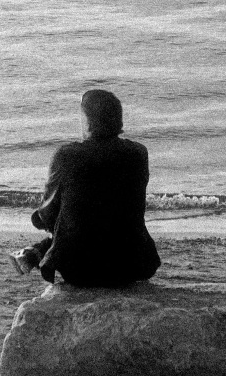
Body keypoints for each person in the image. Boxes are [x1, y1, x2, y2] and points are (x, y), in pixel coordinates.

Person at [13, 88, 160, 287]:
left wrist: (39, 219)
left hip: (80, 268)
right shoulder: (138, 153)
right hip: (132, 264)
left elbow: (48, 216)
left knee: (59, 221)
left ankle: (36, 251)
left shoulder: (66, 156)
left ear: (88, 121)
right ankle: (37, 251)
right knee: (100, 217)